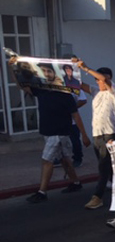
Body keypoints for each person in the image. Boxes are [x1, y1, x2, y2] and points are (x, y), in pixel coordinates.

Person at [8, 56, 91, 203]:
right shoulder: (41, 90)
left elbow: (76, 116)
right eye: (44, 71)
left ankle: (42, 192)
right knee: (65, 159)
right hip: (49, 131)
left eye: (49, 71)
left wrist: (84, 136)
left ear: (55, 74)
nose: (46, 74)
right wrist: (13, 68)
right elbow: (21, 85)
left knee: (47, 160)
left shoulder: (65, 94)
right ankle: (76, 183)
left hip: (58, 132)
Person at [74, 58, 115, 209]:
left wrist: (86, 68)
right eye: (99, 80)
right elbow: (77, 84)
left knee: (104, 166)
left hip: (110, 134)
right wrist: (70, 68)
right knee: (110, 167)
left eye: (105, 79)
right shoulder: (95, 91)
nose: (101, 82)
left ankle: (97, 197)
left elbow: (104, 79)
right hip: (97, 134)